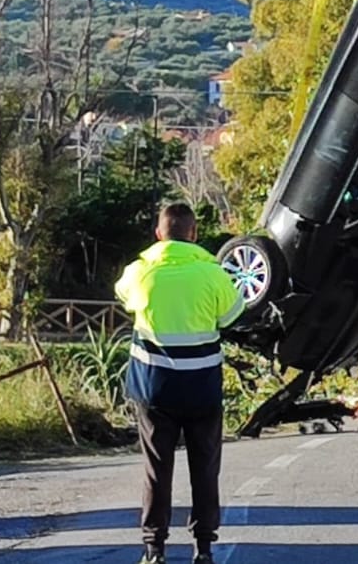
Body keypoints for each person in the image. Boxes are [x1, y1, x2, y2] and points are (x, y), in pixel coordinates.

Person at [114, 203, 245, 564]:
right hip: (202, 387)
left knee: (157, 469)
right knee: (205, 468)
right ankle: (203, 547)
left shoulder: (140, 272)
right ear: (194, 233)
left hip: (154, 388)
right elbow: (232, 315)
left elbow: (124, 297)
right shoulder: (213, 274)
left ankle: (154, 549)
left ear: (159, 234)